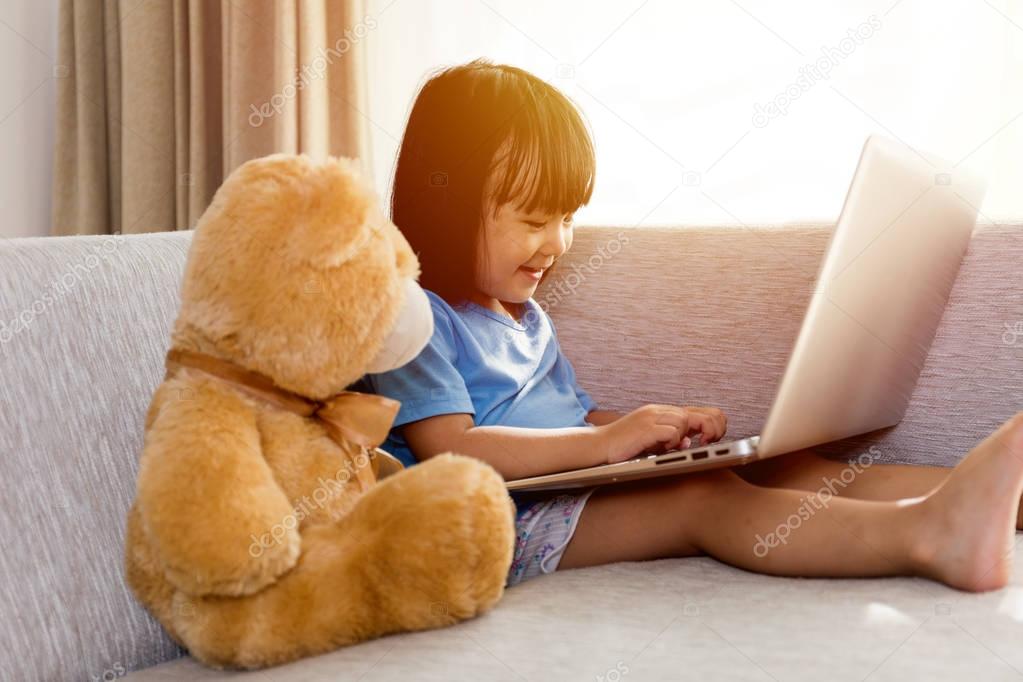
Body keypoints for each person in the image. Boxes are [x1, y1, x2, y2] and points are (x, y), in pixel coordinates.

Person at [356, 58, 1023, 592]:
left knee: (785, 467)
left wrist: (652, 427)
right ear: (442, 201)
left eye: (566, 218)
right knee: (702, 498)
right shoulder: (407, 317)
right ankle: (929, 535)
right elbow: (454, 448)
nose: (555, 244)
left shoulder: (523, 316)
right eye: (533, 220)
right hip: (491, 521)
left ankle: (1002, 498)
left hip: (561, 490)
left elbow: (573, 417)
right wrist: (607, 444)